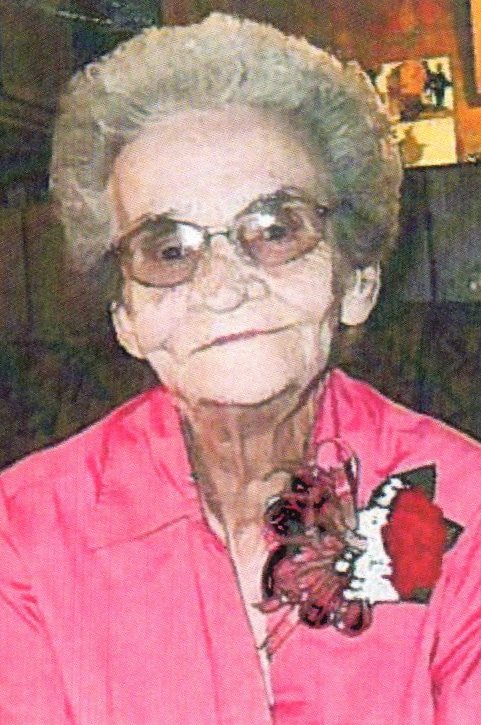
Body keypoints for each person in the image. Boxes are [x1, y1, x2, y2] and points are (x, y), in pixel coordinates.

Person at [1, 13, 480, 725]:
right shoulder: (24, 530)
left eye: (275, 230)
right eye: (169, 250)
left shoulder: (467, 502)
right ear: (126, 317)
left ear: (356, 280)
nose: (223, 287)